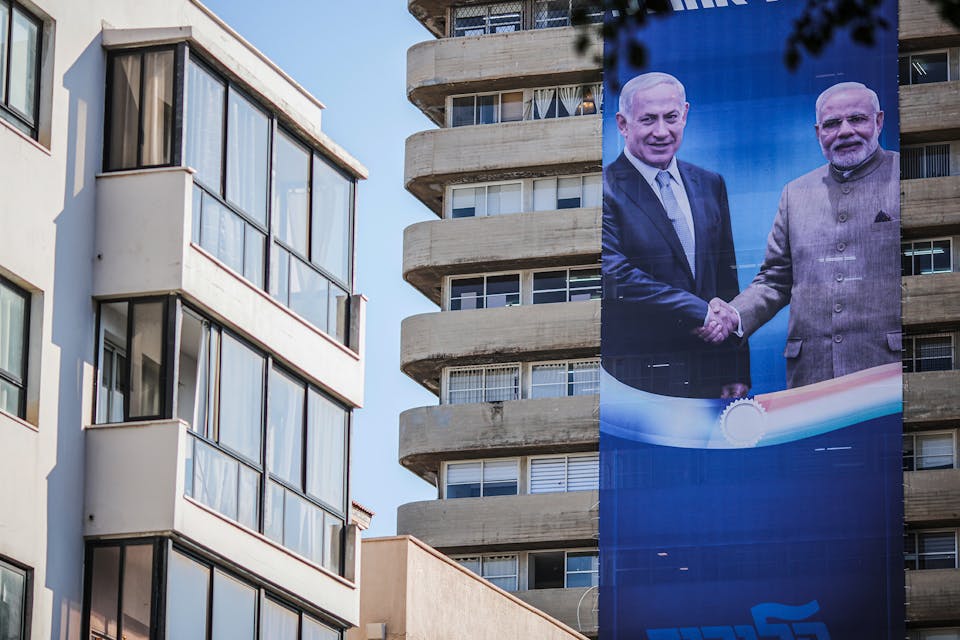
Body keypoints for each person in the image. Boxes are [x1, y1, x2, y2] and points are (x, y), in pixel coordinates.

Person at [702, 81, 901, 389]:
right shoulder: (795, 193)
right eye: (832, 124)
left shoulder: (906, 175)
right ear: (818, 132)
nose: (845, 131)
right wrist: (733, 314)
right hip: (812, 375)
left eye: (857, 119)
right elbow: (774, 280)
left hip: (886, 372)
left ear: (879, 122)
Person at [602, 72, 750, 399]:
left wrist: (736, 367)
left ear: (685, 114)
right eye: (647, 120)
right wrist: (698, 312)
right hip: (641, 381)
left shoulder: (710, 184)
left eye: (670, 118)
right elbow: (615, 274)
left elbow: (726, 278)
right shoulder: (603, 189)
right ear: (623, 124)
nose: (661, 131)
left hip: (710, 373)